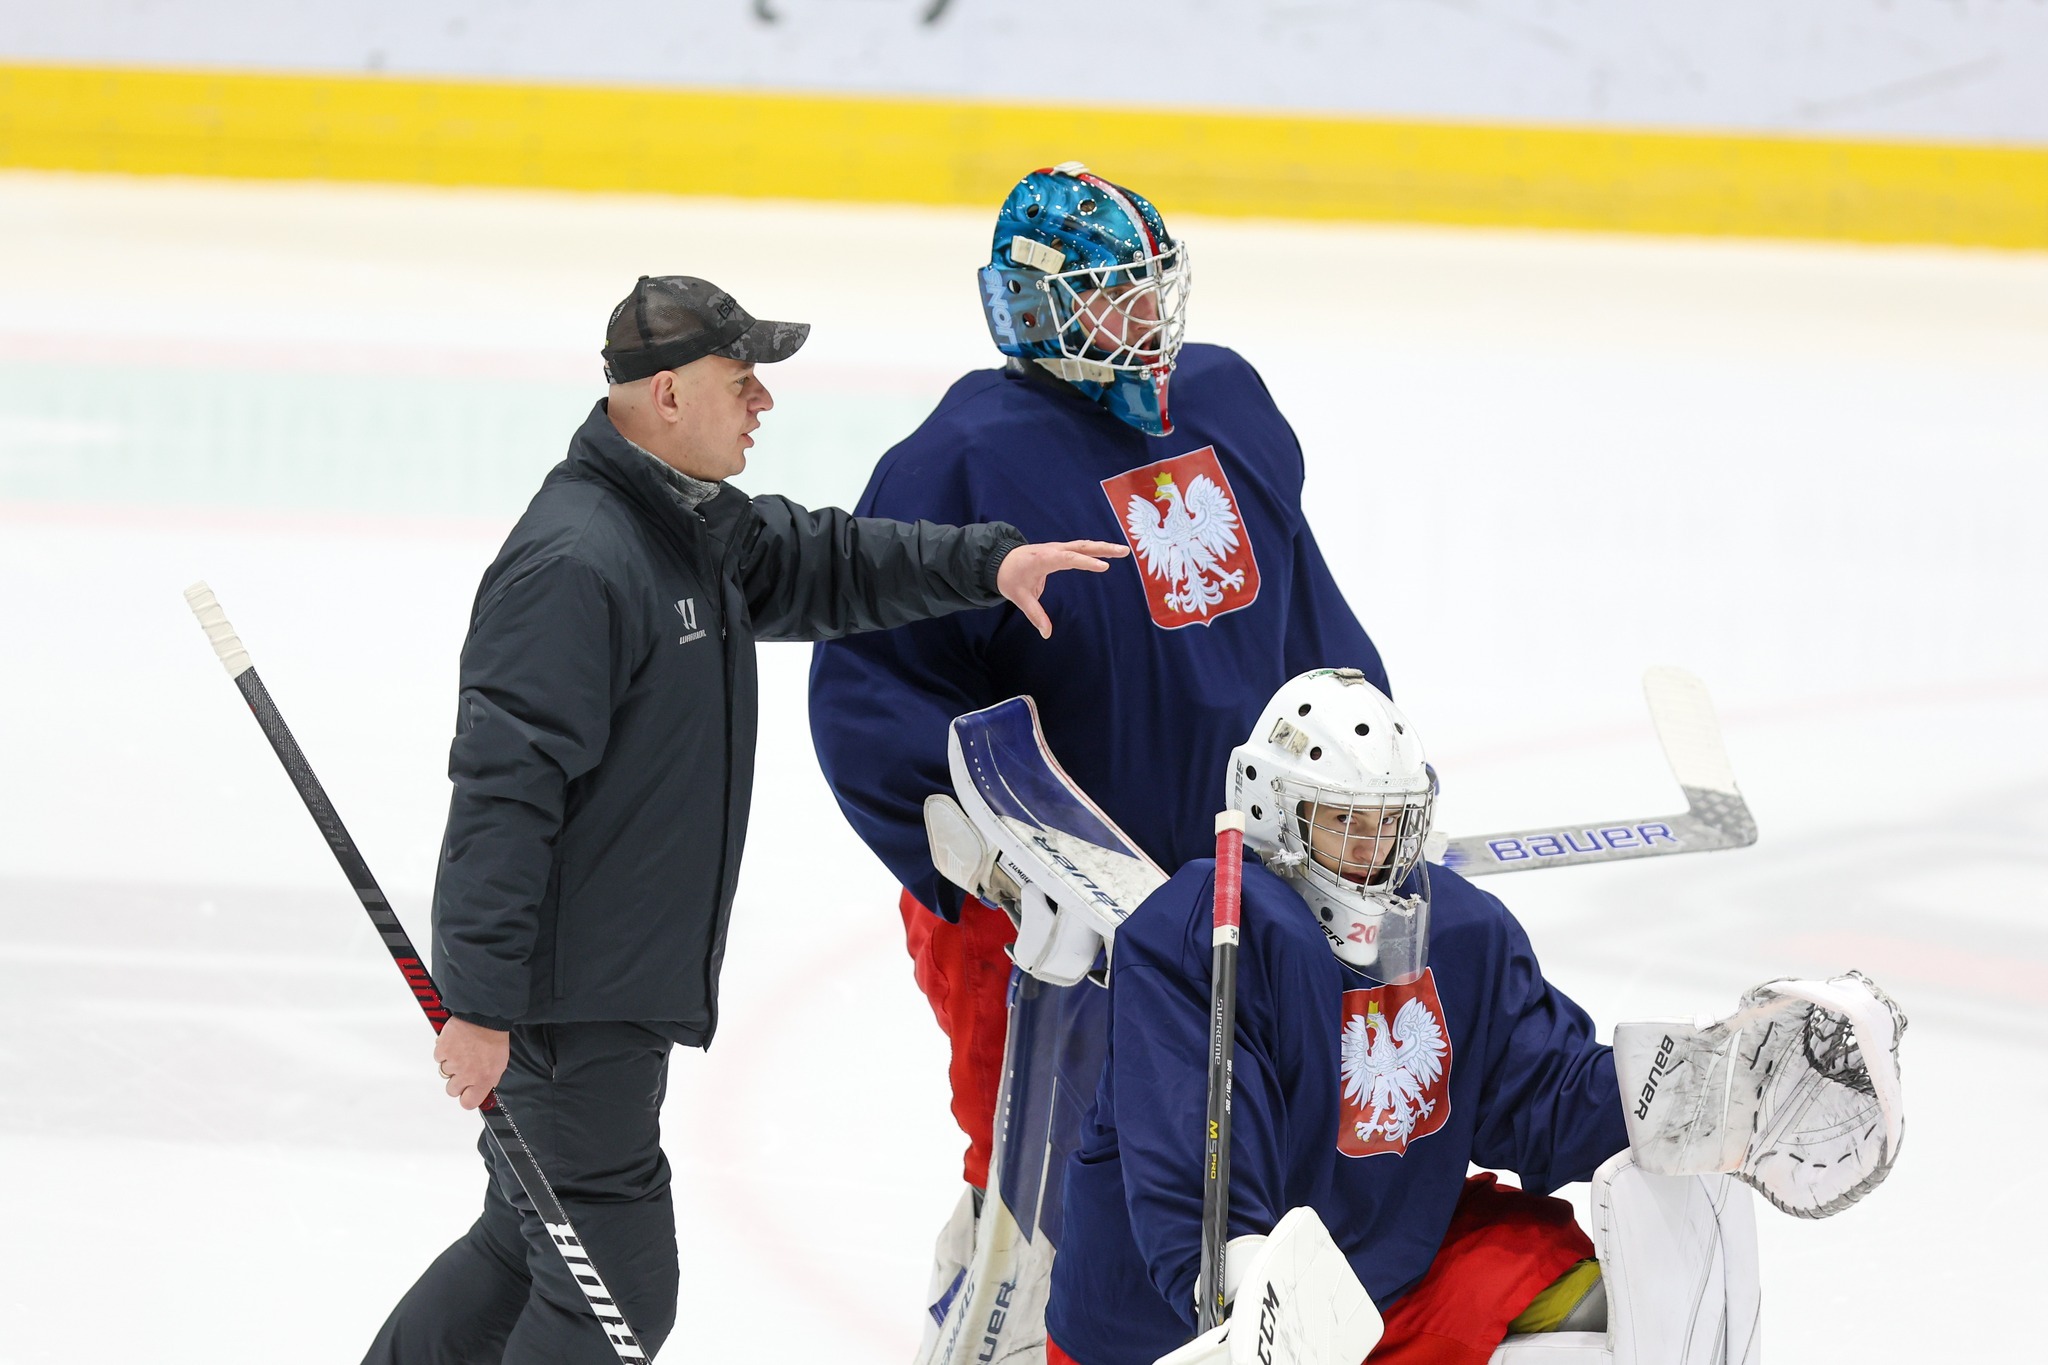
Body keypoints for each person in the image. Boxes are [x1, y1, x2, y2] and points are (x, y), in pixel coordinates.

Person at [363, 275, 1128, 1364]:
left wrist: (986, 564)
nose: (762, 400)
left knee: (525, 1239)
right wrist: (479, 1006)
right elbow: (502, 796)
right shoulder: (578, 563)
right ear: (667, 394)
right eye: (741, 378)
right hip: (563, 1003)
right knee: (611, 1293)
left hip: (605, 984)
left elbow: (825, 560)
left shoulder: (684, 528)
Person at [808, 162, 1390, 1205]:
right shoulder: (959, 461)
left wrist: (1366, 755)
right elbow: (867, 686)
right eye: (1109, 292)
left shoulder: (1224, 402)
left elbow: (1300, 607)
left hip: (1232, 892)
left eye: (1150, 283)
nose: (1143, 314)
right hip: (1038, 924)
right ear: (1032, 308)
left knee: (1228, 1182)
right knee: (1036, 1193)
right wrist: (983, 860)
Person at [1046, 668, 1625, 1365]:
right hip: (1170, 1339)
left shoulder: (1460, 929)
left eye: (1389, 822)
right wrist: (1247, 1285)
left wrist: (1673, 1097)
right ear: (1271, 809)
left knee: (1592, 1310)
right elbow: (1190, 1152)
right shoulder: (1210, 933)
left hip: (1375, 1283)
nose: (1371, 851)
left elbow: (1543, 1091)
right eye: (1344, 821)